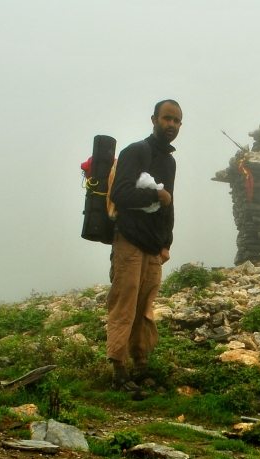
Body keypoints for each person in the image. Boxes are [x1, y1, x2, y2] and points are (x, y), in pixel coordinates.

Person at [106, 99, 182, 391]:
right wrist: (155, 197)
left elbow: (170, 204)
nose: (171, 125)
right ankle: (119, 370)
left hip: (153, 246)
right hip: (129, 239)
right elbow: (121, 194)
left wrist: (166, 242)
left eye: (176, 121)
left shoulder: (169, 161)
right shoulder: (136, 151)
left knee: (145, 308)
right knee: (124, 304)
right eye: (167, 119)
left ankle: (140, 365)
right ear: (154, 119)